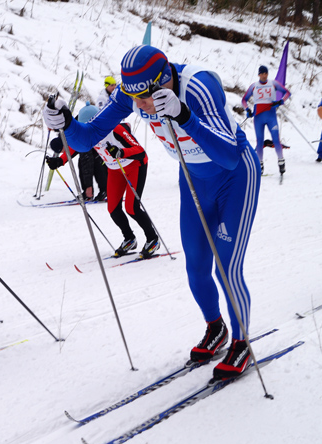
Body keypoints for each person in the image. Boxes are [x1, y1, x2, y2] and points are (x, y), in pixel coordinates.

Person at [44, 45, 260, 380]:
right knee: (196, 265)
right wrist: (67, 124)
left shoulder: (199, 86)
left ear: (164, 82)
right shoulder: (132, 93)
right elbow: (88, 139)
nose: (141, 108)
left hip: (234, 177)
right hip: (192, 177)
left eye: (146, 99)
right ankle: (215, 328)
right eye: (135, 101)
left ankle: (242, 341)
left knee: (226, 267)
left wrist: (185, 116)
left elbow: (229, 155)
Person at [46, 104, 158, 258]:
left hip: (134, 166)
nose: (88, 131)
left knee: (132, 207)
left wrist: (121, 152)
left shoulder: (116, 130)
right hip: (114, 169)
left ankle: (152, 239)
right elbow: (75, 147)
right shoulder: (87, 134)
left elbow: (140, 151)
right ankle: (129, 239)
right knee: (113, 209)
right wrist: (59, 161)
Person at [242, 65, 291, 175]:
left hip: (271, 117)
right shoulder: (254, 86)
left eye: (266, 73)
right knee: (259, 142)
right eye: (262, 73)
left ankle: (281, 161)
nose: (264, 75)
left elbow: (287, 93)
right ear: (259, 74)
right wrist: (247, 110)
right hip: (258, 117)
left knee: (276, 140)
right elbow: (244, 100)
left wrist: (281, 101)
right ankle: (260, 164)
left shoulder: (273, 83)